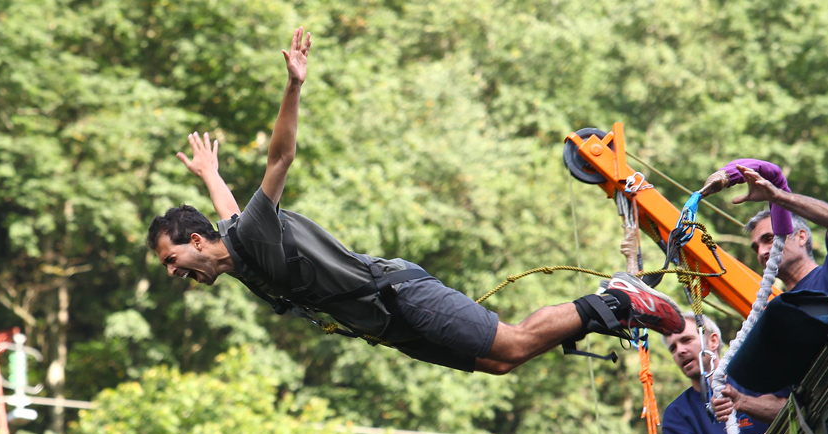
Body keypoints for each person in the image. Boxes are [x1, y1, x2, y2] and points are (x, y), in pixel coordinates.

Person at [147, 27, 685, 374]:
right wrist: (211, 173)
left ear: (196, 241)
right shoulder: (237, 254)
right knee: (500, 364)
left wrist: (293, 87)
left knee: (515, 344)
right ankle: (607, 310)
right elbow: (227, 212)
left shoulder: (251, 234)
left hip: (399, 294)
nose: (175, 273)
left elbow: (279, 161)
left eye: (173, 260)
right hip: (390, 329)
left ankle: (616, 302)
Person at [700, 158, 828, 411]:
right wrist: (742, 402)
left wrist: (780, 197)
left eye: (769, 238)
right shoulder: (778, 321)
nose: (762, 251)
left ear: (801, 236)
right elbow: (787, 408)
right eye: (756, 247)